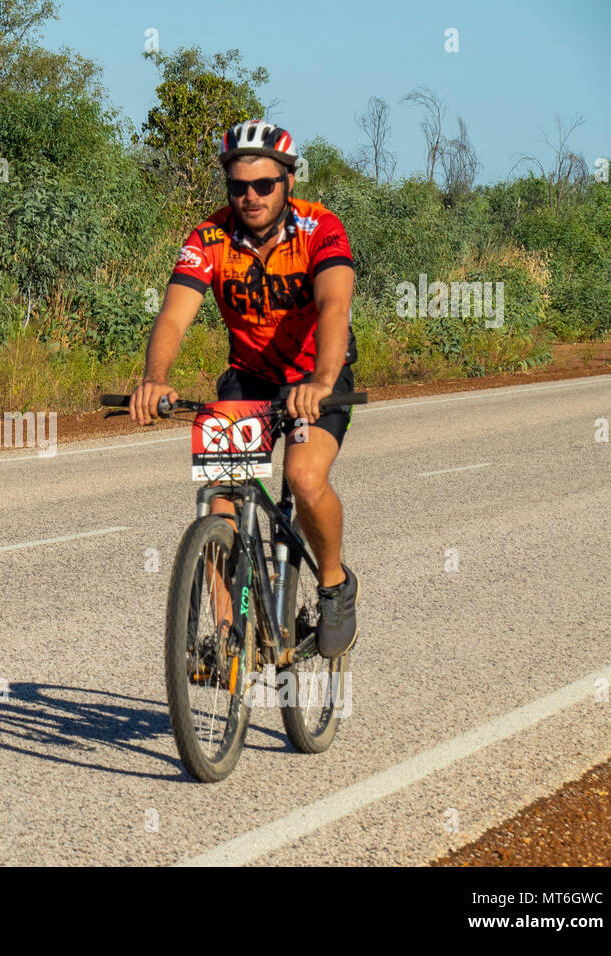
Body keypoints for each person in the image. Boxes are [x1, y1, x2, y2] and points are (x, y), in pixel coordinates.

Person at [129, 118, 359, 657]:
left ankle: (333, 585)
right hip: (249, 377)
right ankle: (232, 635)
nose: (250, 197)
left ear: (288, 181)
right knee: (218, 503)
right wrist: (154, 379)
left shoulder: (321, 228)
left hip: (313, 377)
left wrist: (322, 380)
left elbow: (334, 305)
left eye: (264, 185)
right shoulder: (209, 238)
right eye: (238, 186)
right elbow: (173, 317)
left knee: (303, 476)